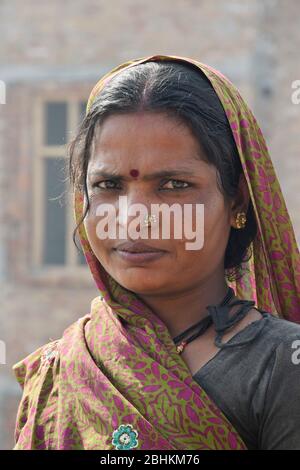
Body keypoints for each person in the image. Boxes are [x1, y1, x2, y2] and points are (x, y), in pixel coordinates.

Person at [12, 54, 300, 450]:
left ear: (238, 201)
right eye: (109, 185)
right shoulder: (62, 368)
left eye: (173, 185)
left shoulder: (282, 367)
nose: (134, 218)